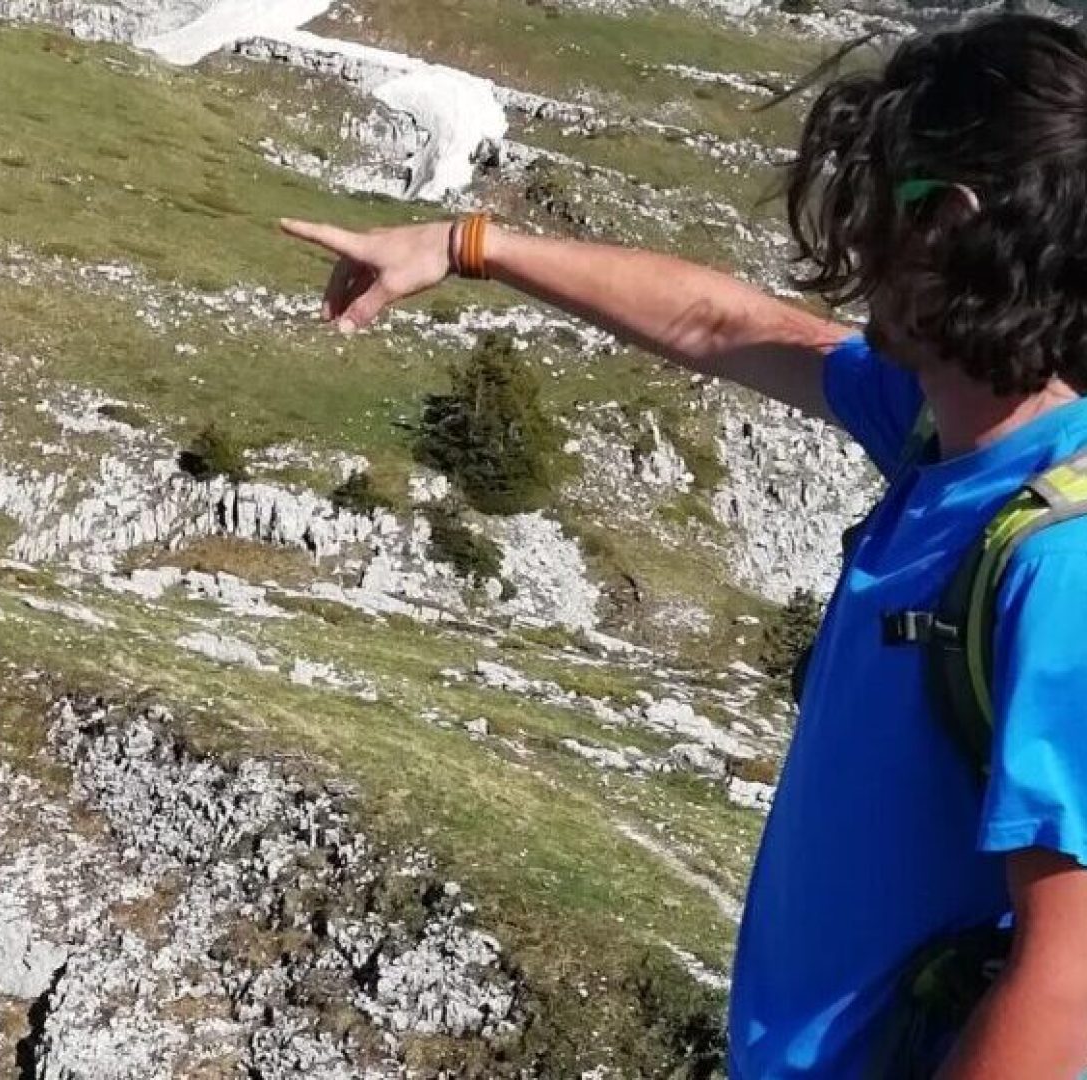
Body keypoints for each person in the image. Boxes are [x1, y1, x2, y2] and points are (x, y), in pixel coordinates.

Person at [283, 14, 1087, 1080]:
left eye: (881, 199)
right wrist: (466, 246)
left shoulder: (1054, 560)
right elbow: (723, 324)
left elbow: (1067, 982)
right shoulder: (943, 426)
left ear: (952, 223)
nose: (853, 244)